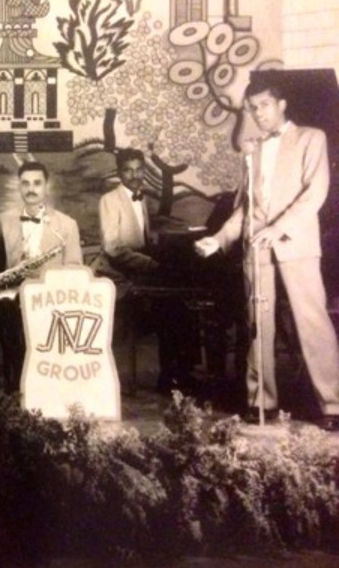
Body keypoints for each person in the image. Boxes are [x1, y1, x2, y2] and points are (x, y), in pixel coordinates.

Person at [195, 78, 339, 431]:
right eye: (252, 108)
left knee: (312, 323)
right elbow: (245, 208)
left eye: (264, 105)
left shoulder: (312, 138)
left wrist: (279, 228)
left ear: (281, 104)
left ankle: (333, 404)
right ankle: (262, 402)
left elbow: (315, 192)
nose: (258, 113)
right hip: (256, 247)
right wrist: (219, 239)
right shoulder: (253, 150)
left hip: (295, 243)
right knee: (258, 326)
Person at [0, 160, 82, 393]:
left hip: (51, 297)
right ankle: (15, 387)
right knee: (5, 315)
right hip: (13, 294)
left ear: (46, 186)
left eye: (37, 183)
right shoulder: (4, 220)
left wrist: (46, 277)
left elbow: (74, 269)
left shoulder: (67, 225)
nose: (31, 189)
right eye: (25, 183)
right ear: (19, 186)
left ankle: (43, 386)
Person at [98, 148, 197, 394]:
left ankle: (181, 371)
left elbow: (143, 237)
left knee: (181, 302)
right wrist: (148, 263)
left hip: (142, 266)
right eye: (128, 171)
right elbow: (112, 247)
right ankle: (170, 375)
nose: (134, 176)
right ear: (119, 173)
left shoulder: (140, 198)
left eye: (139, 170)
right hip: (121, 271)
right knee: (170, 306)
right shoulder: (109, 200)